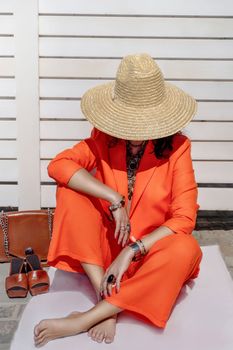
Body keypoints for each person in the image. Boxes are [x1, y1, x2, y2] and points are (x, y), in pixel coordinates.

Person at [34, 53, 203, 347]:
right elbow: (59, 165)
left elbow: (185, 218)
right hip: (106, 249)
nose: (135, 133)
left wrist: (133, 250)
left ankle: (87, 317)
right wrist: (113, 198)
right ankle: (108, 296)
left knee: (186, 248)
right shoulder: (103, 137)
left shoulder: (178, 148)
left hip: (150, 252)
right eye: (129, 122)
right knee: (70, 190)